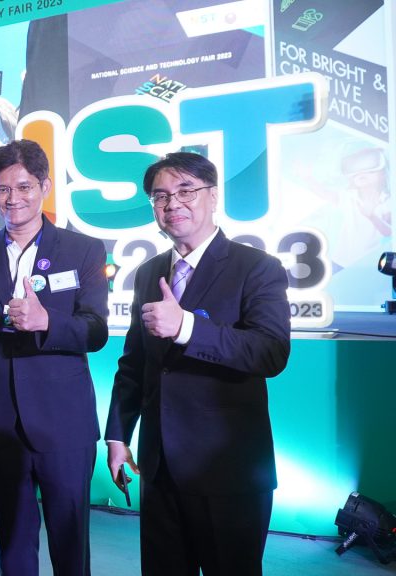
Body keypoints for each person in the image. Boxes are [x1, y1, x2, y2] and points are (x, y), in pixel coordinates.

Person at [105, 152, 291, 575]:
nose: (172, 203)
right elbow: (134, 363)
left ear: (213, 197)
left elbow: (270, 352)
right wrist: (118, 436)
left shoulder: (257, 267)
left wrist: (186, 327)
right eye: (160, 196)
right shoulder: (148, 273)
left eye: (186, 190)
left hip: (227, 469)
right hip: (159, 467)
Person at [0, 139, 109, 576]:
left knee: (70, 542)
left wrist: (47, 322)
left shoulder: (83, 250)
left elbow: (96, 330)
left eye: (24, 187)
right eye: (2, 189)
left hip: (64, 422)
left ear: (44, 186)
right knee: (13, 541)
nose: (13, 198)